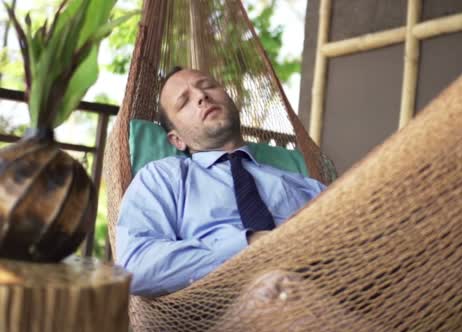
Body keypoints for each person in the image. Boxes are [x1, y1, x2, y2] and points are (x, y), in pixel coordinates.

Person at [115, 67, 326, 297]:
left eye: (208, 86)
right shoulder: (163, 177)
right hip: (225, 311)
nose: (201, 96)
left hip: (324, 289)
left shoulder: (301, 183)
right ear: (177, 140)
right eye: (184, 101)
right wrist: (248, 245)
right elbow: (136, 264)